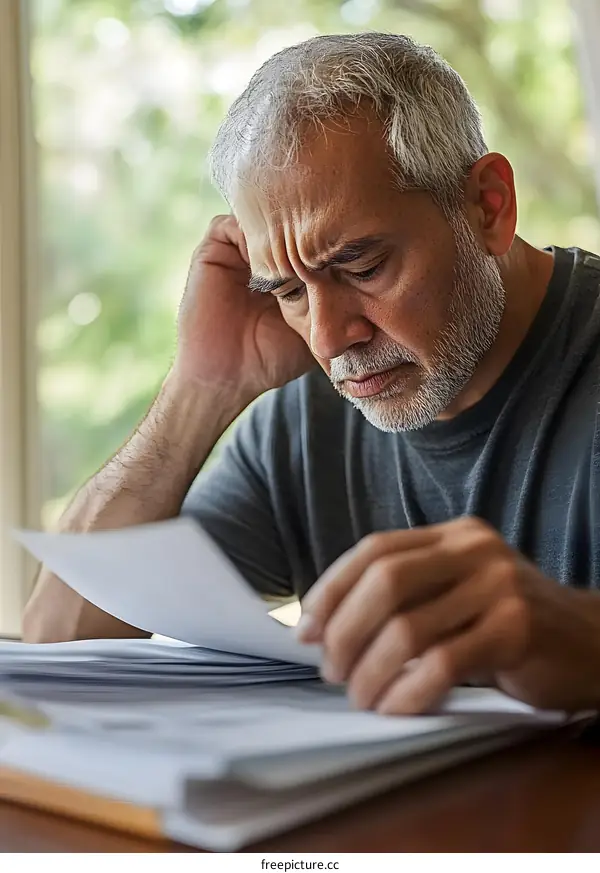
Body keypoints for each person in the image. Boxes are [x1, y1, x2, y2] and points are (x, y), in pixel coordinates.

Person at [24, 32, 600, 716]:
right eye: (289, 291)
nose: (330, 339)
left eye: (361, 267)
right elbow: (57, 644)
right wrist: (200, 388)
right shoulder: (303, 418)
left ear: (488, 206)